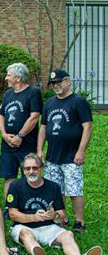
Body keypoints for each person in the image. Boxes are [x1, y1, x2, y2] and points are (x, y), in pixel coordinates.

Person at [7, 154, 102, 255]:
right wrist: (34, 217)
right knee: (25, 234)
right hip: (24, 227)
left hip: (49, 227)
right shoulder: (16, 186)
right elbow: (12, 214)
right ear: (23, 171)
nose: (31, 171)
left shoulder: (53, 187)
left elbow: (62, 216)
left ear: (41, 169)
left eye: (35, 168)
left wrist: (54, 216)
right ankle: (39, 254)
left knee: (67, 234)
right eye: (27, 168)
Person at [38, 69, 93, 232]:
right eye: (53, 84)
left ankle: (80, 222)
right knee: (56, 190)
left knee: (74, 189)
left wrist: (81, 151)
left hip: (71, 156)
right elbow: (43, 128)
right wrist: (40, 150)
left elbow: (87, 126)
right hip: (52, 156)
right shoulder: (49, 103)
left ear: (68, 81)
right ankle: (62, 218)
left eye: (59, 82)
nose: (56, 86)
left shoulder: (78, 102)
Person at [0, 62, 43, 197]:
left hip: (26, 144)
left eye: (9, 75)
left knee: (29, 175)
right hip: (7, 145)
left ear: (18, 78)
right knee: (8, 176)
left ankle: (27, 204)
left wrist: (20, 136)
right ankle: (9, 205)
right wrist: (4, 134)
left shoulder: (33, 93)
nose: (6, 78)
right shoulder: (8, 94)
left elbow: (34, 117)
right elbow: (0, 114)